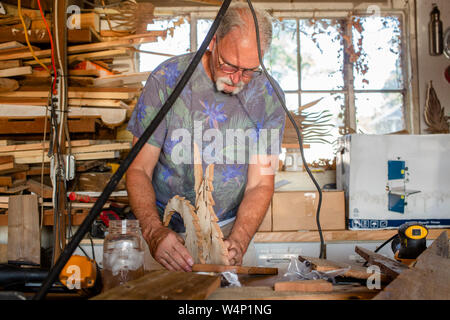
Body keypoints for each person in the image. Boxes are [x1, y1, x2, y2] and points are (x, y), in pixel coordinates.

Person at [126, 3, 285, 272]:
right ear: (212, 41)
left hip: (229, 230)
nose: (238, 80)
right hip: (166, 232)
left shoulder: (268, 96)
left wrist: (240, 239)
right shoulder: (167, 80)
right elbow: (139, 168)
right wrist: (153, 232)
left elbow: (261, 183)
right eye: (230, 65)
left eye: (249, 70)